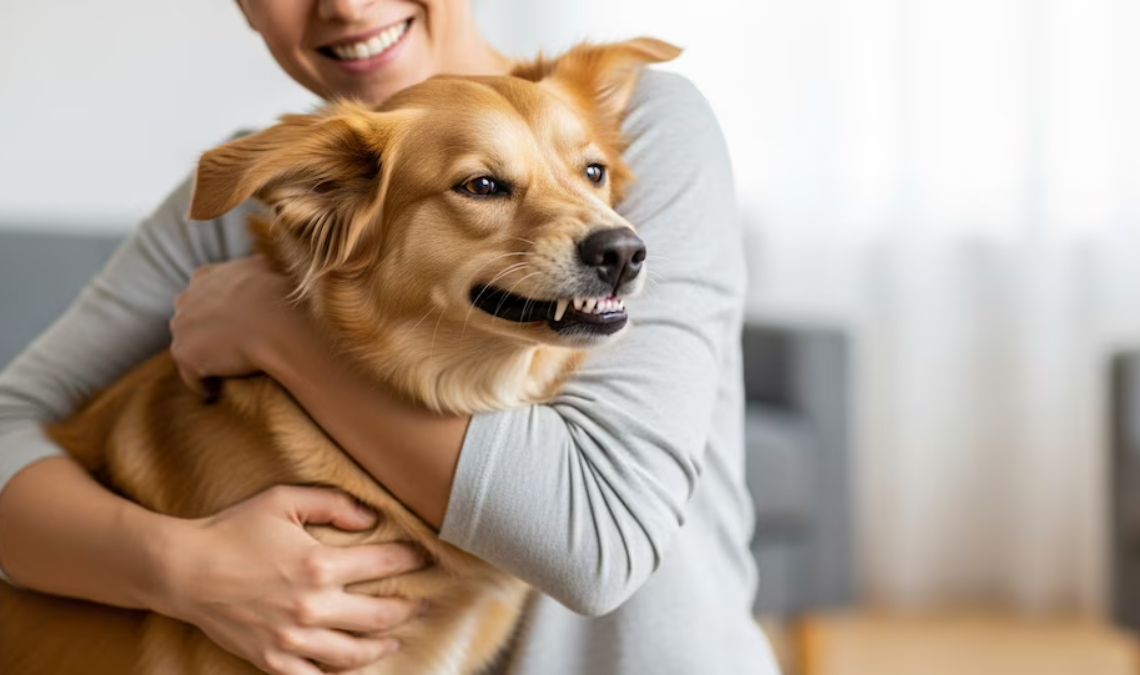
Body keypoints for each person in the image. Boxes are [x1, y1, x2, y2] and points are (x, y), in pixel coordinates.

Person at [0, 1, 781, 674]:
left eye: (588, 174)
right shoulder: (283, 190)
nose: (345, 5)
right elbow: (9, 424)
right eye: (484, 184)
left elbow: (596, 540)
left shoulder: (640, 122)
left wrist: (276, 332)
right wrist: (187, 569)